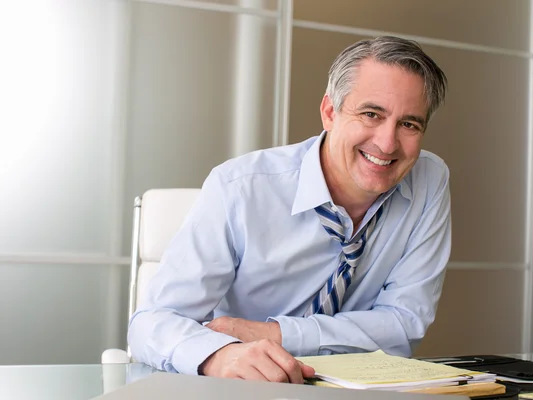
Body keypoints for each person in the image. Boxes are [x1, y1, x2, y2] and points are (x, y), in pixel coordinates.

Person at [128, 35, 450, 384]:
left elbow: (404, 326)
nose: (387, 143)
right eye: (371, 114)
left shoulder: (428, 181)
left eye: (409, 124)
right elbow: (150, 323)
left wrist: (277, 335)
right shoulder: (240, 187)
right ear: (330, 112)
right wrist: (218, 356)